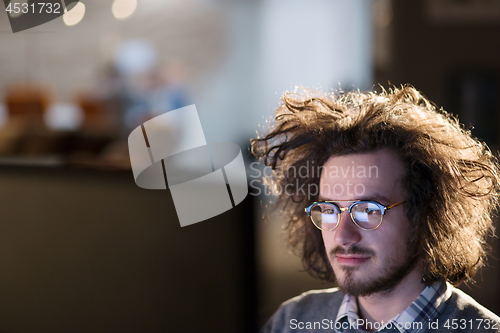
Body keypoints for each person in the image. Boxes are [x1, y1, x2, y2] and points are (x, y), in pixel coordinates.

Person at [251, 85, 500, 332]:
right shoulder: (292, 321)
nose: (342, 236)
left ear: (426, 212)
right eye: (329, 210)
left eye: (368, 210)